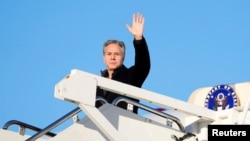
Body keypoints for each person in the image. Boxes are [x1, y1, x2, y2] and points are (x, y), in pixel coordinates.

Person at [95, 13, 150, 114]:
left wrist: (138, 38)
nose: (112, 57)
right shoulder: (96, 84)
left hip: (124, 126)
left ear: (123, 58)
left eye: (117, 54)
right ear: (104, 58)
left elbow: (143, 65)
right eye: (109, 54)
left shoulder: (131, 77)